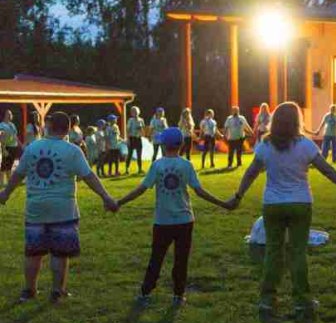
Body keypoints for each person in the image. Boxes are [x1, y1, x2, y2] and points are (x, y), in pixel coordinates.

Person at [229, 102, 336, 316]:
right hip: (300, 203)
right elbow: (327, 169)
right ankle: (301, 300)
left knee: (273, 252)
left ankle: (268, 299)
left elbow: (251, 172)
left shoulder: (265, 145)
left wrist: (238, 195)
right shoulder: (305, 145)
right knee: (298, 253)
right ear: (296, 121)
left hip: (272, 204)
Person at [0, 111, 118, 303]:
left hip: (35, 208)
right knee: (60, 254)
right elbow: (89, 176)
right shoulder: (72, 151)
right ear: (68, 129)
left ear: (48, 126)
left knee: (33, 252)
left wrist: (5, 193)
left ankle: (29, 291)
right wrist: (105, 196)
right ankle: (57, 291)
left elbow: (18, 174)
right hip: (63, 210)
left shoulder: (32, 148)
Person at [117, 127, 232, 306]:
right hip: (185, 221)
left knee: (156, 258)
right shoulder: (186, 165)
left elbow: (140, 190)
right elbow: (200, 192)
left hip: (162, 222)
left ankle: (145, 292)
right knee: (181, 260)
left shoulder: (157, 165)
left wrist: (119, 202)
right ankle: (178, 295)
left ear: (163, 144)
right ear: (181, 144)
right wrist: (223, 204)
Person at [0, 109, 21, 187]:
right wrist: (3, 149)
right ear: (5, 115)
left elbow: (15, 136)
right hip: (7, 147)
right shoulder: (2, 125)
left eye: (11, 114)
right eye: (8, 114)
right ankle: (1, 183)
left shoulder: (12, 125)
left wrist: (20, 145)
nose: (10, 115)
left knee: (10, 165)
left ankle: (9, 182)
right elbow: (1, 138)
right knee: (4, 166)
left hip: (14, 147)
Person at [125, 106, 146, 174]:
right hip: (132, 138)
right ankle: (126, 169)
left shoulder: (141, 120)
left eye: (136, 112)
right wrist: (128, 139)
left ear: (138, 112)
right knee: (130, 154)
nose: (135, 113)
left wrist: (142, 132)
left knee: (139, 154)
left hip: (138, 138)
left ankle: (140, 169)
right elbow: (128, 130)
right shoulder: (130, 120)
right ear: (131, 113)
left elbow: (143, 129)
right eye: (133, 112)